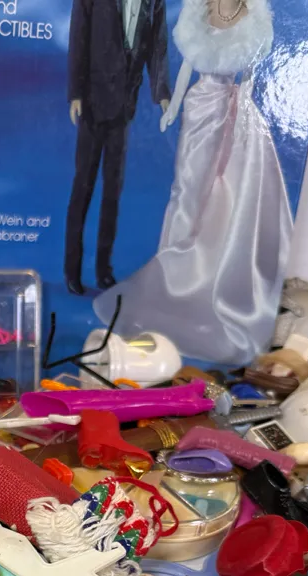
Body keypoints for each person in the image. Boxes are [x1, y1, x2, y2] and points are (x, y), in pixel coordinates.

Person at [94, 0, 292, 367]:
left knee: (225, 188)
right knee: (187, 187)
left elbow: (249, 77)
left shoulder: (254, 19)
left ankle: (213, 264)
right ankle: (174, 261)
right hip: (199, 104)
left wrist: (242, 115)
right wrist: (172, 108)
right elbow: (188, 65)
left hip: (232, 110)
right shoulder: (198, 11)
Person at [64, 0, 171, 294]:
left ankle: (104, 269)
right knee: (83, 187)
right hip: (92, 103)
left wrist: (162, 93)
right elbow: (79, 36)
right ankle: (72, 269)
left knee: (113, 190)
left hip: (124, 106)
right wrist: (76, 93)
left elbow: (157, 45)